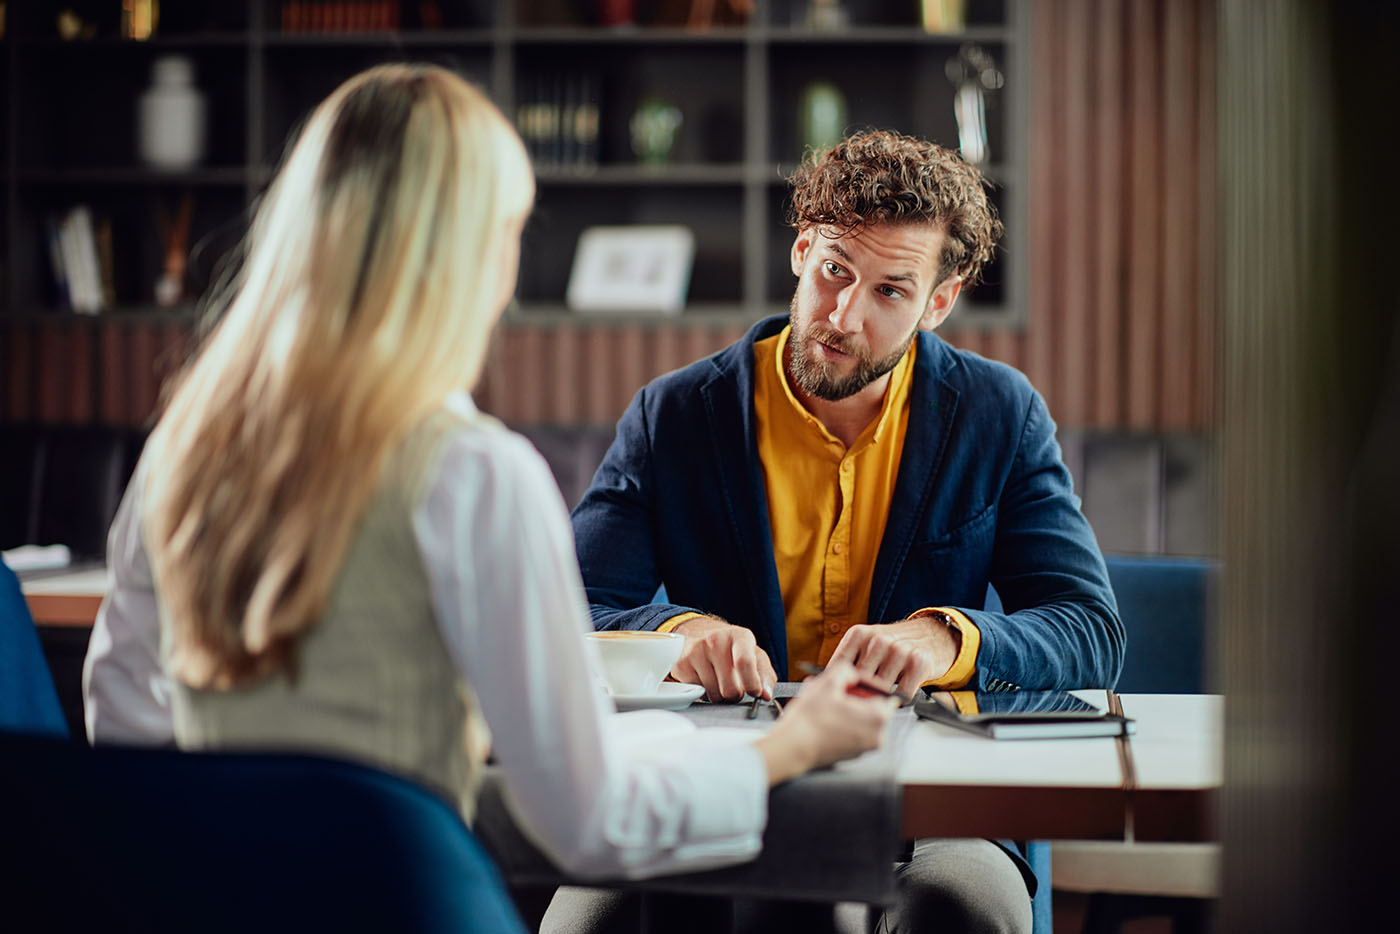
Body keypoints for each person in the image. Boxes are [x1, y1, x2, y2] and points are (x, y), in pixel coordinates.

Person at [80, 63, 897, 909]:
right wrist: (792, 747)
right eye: (509, 229)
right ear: (467, 252)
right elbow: (590, 823)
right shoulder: (474, 475)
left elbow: (125, 728)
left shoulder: (183, 450)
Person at [570, 130, 1126, 933]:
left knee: (963, 910)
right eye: (834, 270)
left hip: (931, 803)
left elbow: (1089, 630)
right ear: (802, 250)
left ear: (939, 301)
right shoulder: (674, 415)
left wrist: (944, 638)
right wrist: (679, 633)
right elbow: (571, 612)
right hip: (719, 779)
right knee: (593, 918)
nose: (842, 315)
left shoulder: (1000, 414)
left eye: (890, 291)